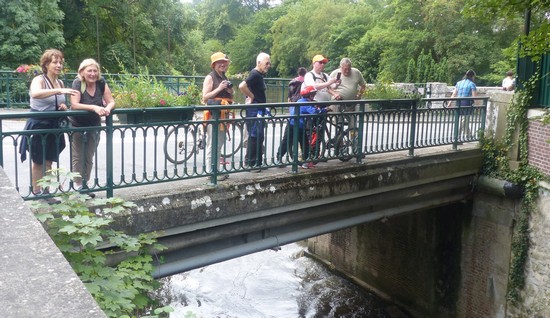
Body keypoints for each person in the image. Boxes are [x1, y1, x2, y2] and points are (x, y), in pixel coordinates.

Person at [19, 49, 78, 195]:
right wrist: (60, 91)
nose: (58, 65)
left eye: (60, 62)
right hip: (39, 125)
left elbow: (55, 102)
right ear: (46, 64)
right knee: (39, 160)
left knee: (49, 160)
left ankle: (46, 191)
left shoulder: (59, 82)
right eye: (55, 62)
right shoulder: (39, 79)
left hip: (54, 125)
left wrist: (62, 107)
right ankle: (36, 192)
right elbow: (36, 93)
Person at [69, 58, 115, 196]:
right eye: (89, 70)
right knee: (78, 155)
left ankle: (85, 183)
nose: (93, 74)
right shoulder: (78, 83)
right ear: (82, 72)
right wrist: (94, 107)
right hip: (77, 124)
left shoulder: (101, 83)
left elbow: (111, 101)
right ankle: (78, 184)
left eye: (95, 71)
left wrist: (107, 108)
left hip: (94, 125)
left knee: (89, 154)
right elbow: (74, 104)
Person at [202, 52, 234, 181]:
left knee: (219, 143)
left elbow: (229, 96)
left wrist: (229, 91)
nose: (223, 65)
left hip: (222, 115)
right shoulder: (210, 78)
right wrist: (219, 88)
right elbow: (205, 97)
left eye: (224, 63)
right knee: (212, 143)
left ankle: (217, 170)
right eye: (220, 62)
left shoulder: (223, 77)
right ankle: (211, 172)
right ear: (214, 65)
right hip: (213, 115)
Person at [276, 86, 326, 168]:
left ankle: (280, 158)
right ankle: (303, 161)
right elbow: (314, 112)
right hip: (295, 126)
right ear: (309, 96)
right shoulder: (305, 103)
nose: (314, 96)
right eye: (313, 95)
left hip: (294, 124)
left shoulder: (300, 100)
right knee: (295, 142)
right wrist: (324, 110)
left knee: (290, 142)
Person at [238, 52, 271, 172]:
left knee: (259, 135)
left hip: (259, 109)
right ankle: (251, 163)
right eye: (266, 63)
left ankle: (257, 161)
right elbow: (242, 86)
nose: (269, 65)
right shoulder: (255, 74)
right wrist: (251, 97)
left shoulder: (259, 75)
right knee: (255, 135)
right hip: (254, 109)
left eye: (269, 63)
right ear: (259, 63)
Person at [329, 58, 367, 130]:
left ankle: (354, 139)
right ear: (341, 67)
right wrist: (334, 94)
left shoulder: (356, 72)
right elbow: (328, 88)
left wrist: (359, 95)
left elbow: (363, 85)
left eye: (349, 69)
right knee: (339, 124)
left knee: (353, 125)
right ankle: (339, 139)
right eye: (345, 69)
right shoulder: (335, 73)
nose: (347, 71)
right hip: (338, 102)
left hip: (352, 103)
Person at [450, 69, 477, 138]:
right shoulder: (472, 84)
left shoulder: (459, 83)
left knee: (463, 120)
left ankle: (469, 136)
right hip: (466, 103)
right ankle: (456, 137)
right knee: (464, 120)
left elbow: (454, 94)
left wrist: (449, 102)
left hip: (458, 102)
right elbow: (474, 97)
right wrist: (477, 105)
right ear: (472, 76)